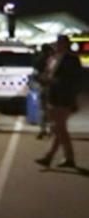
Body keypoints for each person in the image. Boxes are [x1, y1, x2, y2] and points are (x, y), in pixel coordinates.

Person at [36, 35, 82, 169]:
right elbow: (47, 73)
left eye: (59, 43)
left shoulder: (72, 60)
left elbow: (75, 80)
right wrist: (44, 78)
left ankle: (65, 157)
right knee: (58, 129)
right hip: (52, 96)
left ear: (66, 45)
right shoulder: (52, 58)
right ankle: (52, 157)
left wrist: (58, 82)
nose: (57, 46)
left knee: (59, 128)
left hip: (64, 97)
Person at [33, 43, 54, 139]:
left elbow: (35, 74)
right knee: (50, 108)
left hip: (43, 86)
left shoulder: (38, 60)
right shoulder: (53, 60)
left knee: (42, 109)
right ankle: (50, 129)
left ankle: (43, 129)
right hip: (52, 87)